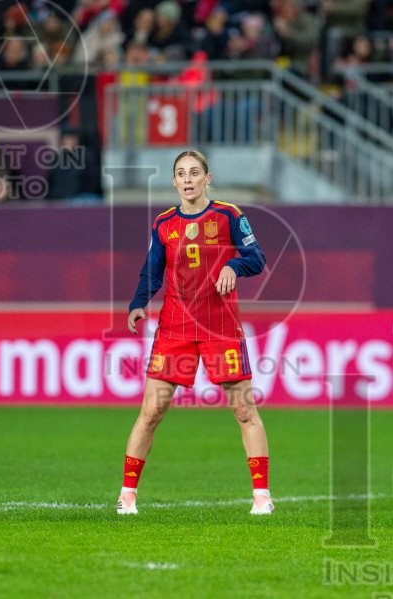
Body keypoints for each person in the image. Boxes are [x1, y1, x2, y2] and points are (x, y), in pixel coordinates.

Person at [118, 150, 271, 516]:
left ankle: (262, 497)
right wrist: (138, 302)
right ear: (174, 181)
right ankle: (127, 496)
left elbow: (257, 258)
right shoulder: (163, 223)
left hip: (220, 325)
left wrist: (234, 265)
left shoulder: (229, 215)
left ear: (207, 178)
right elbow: (152, 271)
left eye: (194, 173)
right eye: (181, 174)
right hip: (176, 326)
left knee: (244, 410)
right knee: (151, 410)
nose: (187, 179)